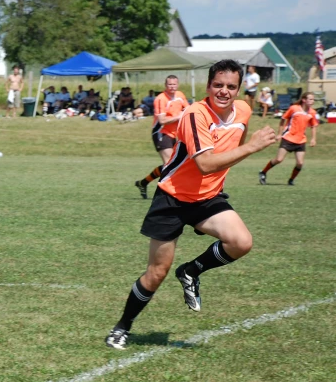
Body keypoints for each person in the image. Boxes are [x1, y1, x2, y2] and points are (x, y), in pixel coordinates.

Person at [105, 59, 276, 350]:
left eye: (231, 86)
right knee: (156, 272)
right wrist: (253, 147)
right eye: (218, 85)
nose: (224, 91)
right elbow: (206, 164)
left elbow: (234, 144)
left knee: (241, 242)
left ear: (239, 89)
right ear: (208, 86)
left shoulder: (244, 110)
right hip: (172, 198)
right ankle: (121, 328)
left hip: (207, 198)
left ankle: (191, 271)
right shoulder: (196, 114)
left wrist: (239, 153)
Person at [135, 76, 188, 199]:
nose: (172, 87)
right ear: (165, 85)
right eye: (169, 84)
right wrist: (179, 116)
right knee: (170, 164)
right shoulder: (161, 99)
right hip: (161, 133)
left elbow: (187, 110)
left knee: (172, 164)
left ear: (178, 84)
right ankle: (166, 194)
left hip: (176, 134)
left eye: (174, 84)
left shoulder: (180, 95)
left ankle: (143, 183)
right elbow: (162, 120)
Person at [258, 91, 318, 186]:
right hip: (288, 138)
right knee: (279, 159)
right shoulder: (294, 108)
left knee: (300, 163)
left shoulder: (312, 112)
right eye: (310, 99)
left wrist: (313, 139)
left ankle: (291, 180)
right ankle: (263, 172)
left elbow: (314, 126)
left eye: (313, 99)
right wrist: (279, 134)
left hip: (301, 140)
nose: (312, 101)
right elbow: (283, 119)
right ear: (304, 100)